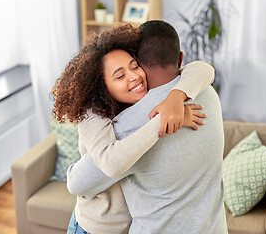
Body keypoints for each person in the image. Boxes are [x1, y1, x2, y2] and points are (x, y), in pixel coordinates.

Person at [66, 20, 228, 233]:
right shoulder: (207, 93)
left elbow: (78, 183)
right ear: (180, 57)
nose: (133, 76)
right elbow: (77, 182)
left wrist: (176, 98)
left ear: (140, 62)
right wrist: (162, 119)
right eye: (120, 75)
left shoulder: (133, 120)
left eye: (133, 66)